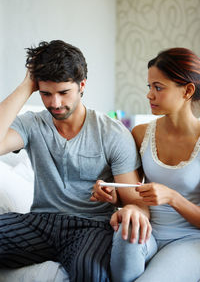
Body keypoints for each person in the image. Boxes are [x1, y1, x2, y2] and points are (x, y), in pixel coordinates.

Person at [0, 40, 151, 282]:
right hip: (40, 222)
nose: (55, 103)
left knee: (91, 272)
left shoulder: (112, 133)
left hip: (91, 227)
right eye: (46, 94)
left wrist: (123, 203)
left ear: (81, 86)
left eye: (63, 93)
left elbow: (136, 202)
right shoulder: (32, 124)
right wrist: (26, 85)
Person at [95, 47, 200, 282]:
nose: (149, 95)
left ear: (188, 91)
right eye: (149, 87)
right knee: (126, 229)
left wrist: (172, 197)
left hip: (190, 240)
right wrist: (114, 195)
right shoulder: (141, 133)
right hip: (148, 230)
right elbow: (131, 193)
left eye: (158, 87)